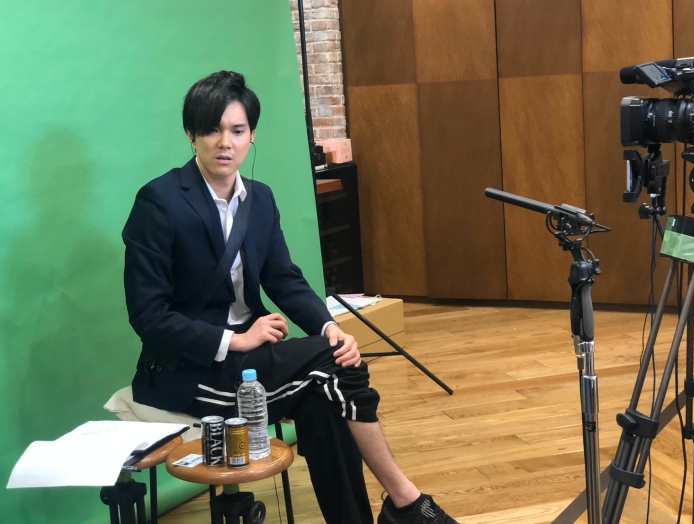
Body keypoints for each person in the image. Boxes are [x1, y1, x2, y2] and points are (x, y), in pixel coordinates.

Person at [122, 70, 457, 524]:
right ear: (190, 134)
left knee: (326, 397)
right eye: (212, 130)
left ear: (251, 135)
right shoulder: (160, 202)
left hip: (253, 360)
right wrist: (235, 340)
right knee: (337, 366)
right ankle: (406, 502)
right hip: (188, 370)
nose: (225, 142)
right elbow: (147, 315)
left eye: (237, 130)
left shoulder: (259, 199)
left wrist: (330, 327)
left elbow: (284, 279)